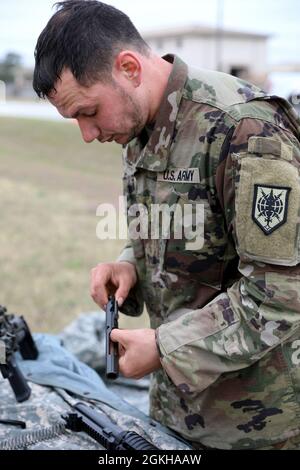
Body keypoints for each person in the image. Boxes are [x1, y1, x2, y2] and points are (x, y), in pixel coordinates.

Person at [33, 0, 300, 450]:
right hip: (176, 411)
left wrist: (163, 348)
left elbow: (281, 293)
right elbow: (170, 225)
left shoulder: (245, 131)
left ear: (129, 68)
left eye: (88, 112)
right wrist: (129, 264)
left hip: (260, 425)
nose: (87, 134)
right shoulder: (140, 124)